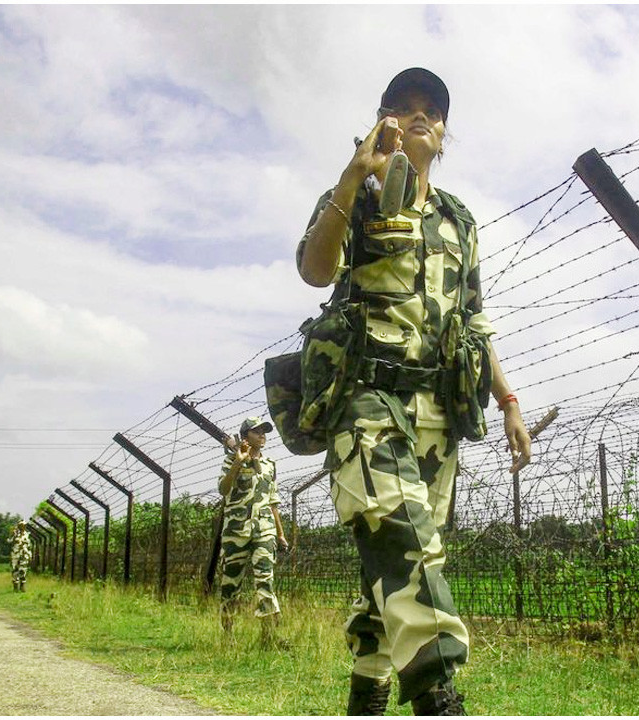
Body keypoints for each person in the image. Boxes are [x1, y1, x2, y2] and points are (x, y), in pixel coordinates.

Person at [296, 68, 532, 715]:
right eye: (404, 105)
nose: (420, 114)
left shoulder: (461, 220)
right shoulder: (358, 196)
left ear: (445, 133)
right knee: (405, 545)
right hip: (367, 401)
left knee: (394, 568)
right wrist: (352, 177)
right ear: (383, 121)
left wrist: (508, 401)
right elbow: (315, 270)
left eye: (432, 109)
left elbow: (474, 321)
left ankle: (366, 698)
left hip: (439, 416)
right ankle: (439, 697)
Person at [217, 416, 290, 647]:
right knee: (231, 585)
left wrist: (280, 533)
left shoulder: (270, 464)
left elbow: (273, 501)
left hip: (264, 531)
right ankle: (228, 637)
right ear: (245, 436)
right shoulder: (231, 460)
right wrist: (239, 462)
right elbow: (223, 489)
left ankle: (268, 637)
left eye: (264, 431)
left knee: (265, 581)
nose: (262, 435)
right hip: (236, 531)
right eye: (257, 431)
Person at [9, 520, 32, 592]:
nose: (23, 527)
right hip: (15, 554)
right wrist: (14, 538)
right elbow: (9, 541)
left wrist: (29, 554)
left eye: (24, 526)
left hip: (24, 554)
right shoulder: (15, 533)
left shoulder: (27, 534)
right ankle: (15, 587)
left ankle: (22, 586)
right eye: (21, 525)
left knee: (23, 570)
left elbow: (29, 544)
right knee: (15, 570)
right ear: (19, 526)